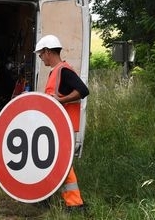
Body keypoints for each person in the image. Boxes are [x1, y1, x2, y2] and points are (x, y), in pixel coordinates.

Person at [34, 34, 89, 211]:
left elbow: (83, 90)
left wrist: (61, 101)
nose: (41, 58)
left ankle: (75, 204)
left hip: (65, 127)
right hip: (57, 126)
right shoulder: (56, 72)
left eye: (41, 55)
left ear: (48, 51)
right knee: (53, 163)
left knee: (63, 164)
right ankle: (48, 197)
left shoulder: (64, 70)